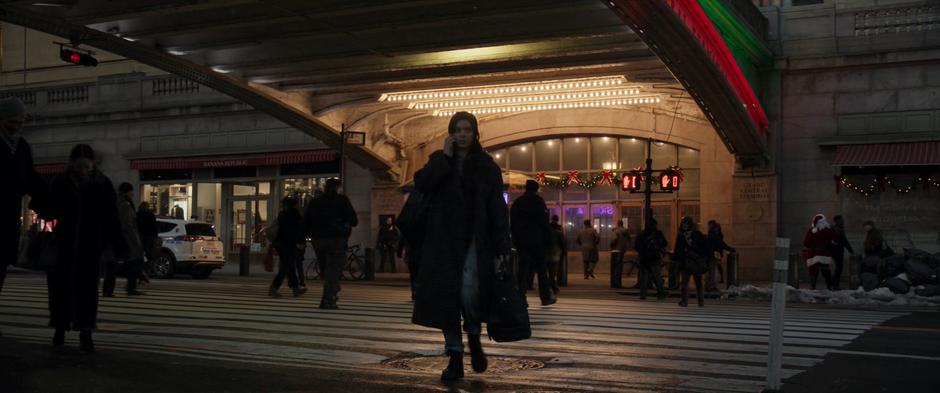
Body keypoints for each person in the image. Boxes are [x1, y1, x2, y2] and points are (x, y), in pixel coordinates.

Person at [411, 111, 511, 381]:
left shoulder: (487, 167)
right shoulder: (439, 161)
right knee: (447, 301)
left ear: (475, 133)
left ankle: (475, 338)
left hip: (476, 242)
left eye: (467, 129)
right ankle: (455, 355)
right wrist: (443, 157)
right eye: (458, 129)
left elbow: (497, 210)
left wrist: (502, 247)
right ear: (451, 133)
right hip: (443, 243)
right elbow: (422, 185)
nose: (463, 134)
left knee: (470, 295)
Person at [44, 144, 127, 352]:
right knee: (61, 289)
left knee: (87, 290)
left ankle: (85, 331)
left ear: (92, 164)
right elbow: (49, 209)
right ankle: (61, 328)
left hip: (89, 245)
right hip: (66, 243)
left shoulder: (101, 183)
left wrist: (117, 242)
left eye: (86, 166)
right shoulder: (62, 182)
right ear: (72, 164)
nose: (83, 170)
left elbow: (112, 216)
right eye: (79, 166)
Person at [0, 97, 48, 321]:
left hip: (8, 217)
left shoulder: (22, 146)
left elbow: (31, 178)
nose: (17, 126)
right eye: (12, 121)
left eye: (20, 122)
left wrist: (47, 203)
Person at [305, 178, 357, 310]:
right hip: (336, 239)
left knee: (325, 270)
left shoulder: (315, 202)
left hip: (318, 240)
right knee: (333, 271)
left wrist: (302, 239)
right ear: (338, 187)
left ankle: (331, 292)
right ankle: (328, 299)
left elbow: (305, 221)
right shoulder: (342, 200)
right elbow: (354, 220)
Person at [510, 180, 554, 305]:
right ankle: (545, 297)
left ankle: (521, 298)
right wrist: (548, 240)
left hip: (522, 241)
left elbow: (512, 223)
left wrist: (515, 239)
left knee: (522, 270)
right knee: (541, 269)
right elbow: (543, 222)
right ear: (536, 189)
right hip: (536, 240)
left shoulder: (518, 202)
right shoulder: (538, 201)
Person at [103, 183, 145, 297]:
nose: (133, 193)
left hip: (121, 238)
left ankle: (122, 288)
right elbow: (127, 224)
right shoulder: (125, 204)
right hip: (126, 238)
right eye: (131, 191)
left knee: (121, 263)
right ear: (127, 192)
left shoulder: (120, 202)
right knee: (129, 262)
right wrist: (135, 239)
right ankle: (128, 288)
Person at [270, 196, 306, 298]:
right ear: (294, 205)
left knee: (290, 267)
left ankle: (295, 288)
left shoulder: (282, 214)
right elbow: (300, 228)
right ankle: (274, 288)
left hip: (281, 244)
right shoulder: (294, 214)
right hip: (289, 244)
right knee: (285, 268)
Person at [674, 216, 709, 307]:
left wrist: (676, 259)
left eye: (686, 224)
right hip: (693, 261)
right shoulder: (696, 234)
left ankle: (686, 301)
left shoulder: (682, 236)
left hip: (687, 261)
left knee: (688, 283)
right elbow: (704, 247)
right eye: (683, 224)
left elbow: (678, 250)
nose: (684, 226)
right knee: (694, 283)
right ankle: (699, 301)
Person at [634, 218, 667, 300]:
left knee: (644, 277)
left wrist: (642, 252)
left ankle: (643, 294)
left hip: (644, 257)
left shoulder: (642, 234)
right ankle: (661, 293)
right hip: (654, 257)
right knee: (657, 276)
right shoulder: (658, 234)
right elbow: (664, 243)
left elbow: (636, 246)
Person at [803, 214, 836, 290]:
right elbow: (832, 241)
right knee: (825, 270)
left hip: (813, 254)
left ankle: (813, 286)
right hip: (824, 253)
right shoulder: (828, 230)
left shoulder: (811, 230)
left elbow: (806, 243)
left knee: (813, 271)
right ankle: (829, 285)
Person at [706, 220, 735, 291]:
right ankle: (711, 286)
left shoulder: (713, 234)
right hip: (713, 255)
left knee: (714, 270)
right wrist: (731, 249)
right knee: (713, 271)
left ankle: (711, 285)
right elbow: (721, 244)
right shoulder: (714, 235)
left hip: (714, 254)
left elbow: (720, 244)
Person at [830, 215, 854, 290]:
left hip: (835, 250)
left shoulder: (835, 228)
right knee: (839, 268)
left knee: (838, 268)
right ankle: (835, 284)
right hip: (838, 251)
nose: (842, 221)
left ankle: (834, 283)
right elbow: (844, 241)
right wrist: (850, 250)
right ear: (837, 221)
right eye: (841, 220)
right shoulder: (838, 229)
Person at [136, 201, 157, 285]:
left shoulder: (137, 215)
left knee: (139, 257)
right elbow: (154, 227)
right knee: (150, 257)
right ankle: (144, 272)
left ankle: (141, 273)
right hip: (149, 238)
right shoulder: (150, 215)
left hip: (139, 237)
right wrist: (155, 237)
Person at [545, 215, 565, 295]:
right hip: (555, 254)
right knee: (553, 272)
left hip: (545, 254)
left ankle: (550, 286)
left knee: (546, 272)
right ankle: (553, 287)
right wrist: (563, 253)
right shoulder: (559, 234)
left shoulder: (546, 233)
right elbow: (563, 244)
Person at [610, 220, 632, 288]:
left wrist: (611, 245)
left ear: (618, 224)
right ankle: (618, 283)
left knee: (614, 267)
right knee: (619, 267)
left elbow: (614, 239)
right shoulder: (626, 231)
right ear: (622, 224)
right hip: (622, 250)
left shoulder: (616, 231)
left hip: (615, 250)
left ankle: (614, 283)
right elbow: (629, 238)